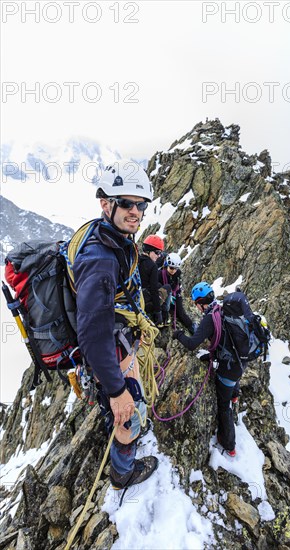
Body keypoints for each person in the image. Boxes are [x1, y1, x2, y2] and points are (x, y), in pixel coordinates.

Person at [71, 160, 158, 490]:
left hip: (120, 336)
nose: (135, 211)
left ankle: (123, 421)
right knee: (129, 407)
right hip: (110, 344)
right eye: (126, 203)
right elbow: (93, 336)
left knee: (128, 399)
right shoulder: (101, 259)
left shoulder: (111, 236)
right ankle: (122, 473)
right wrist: (118, 392)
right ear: (106, 204)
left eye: (141, 204)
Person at [173, 282, 241, 457]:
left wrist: (178, 334)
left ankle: (229, 445)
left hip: (229, 368)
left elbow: (191, 344)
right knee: (233, 375)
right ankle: (235, 393)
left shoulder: (209, 318)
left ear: (200, 303)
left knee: (223, 406)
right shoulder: (221, 308)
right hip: (240, 361)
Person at [138, 235, 171, 328]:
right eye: (157, 252)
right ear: (149, 251)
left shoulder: (137, 260)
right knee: (167, 287)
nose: (159, 255)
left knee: (159, 284)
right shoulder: (153, 267)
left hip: (137, 299)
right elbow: (154, 291)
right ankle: (165, 316)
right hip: (146, 305)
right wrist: (158, 312)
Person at [158, 253, 195, 333]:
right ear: (166, 265)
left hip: (175, 294)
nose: (173, 271)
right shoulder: (160, 274)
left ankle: (191, 325)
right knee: (165, 309)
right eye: (171, 268)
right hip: (164, 296)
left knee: (180, 311)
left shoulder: (178, 274)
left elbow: (177, 286)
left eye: (176, 268)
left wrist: (176, 294)